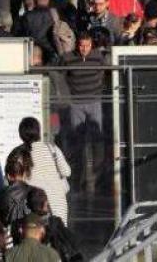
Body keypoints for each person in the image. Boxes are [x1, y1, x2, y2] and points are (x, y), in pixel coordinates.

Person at [59, 33, 106, 193]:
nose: (84, 49)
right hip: (76, 103)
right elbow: (60, 76)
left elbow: (104, 73)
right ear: (76, 45)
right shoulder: (67, 58)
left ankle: (97, 179)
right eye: (81, 45)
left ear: (92, 45)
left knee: (97, 139)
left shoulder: (98, 57)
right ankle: (79, 179)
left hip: (94, 101)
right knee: (77, 140)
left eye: (87, 45)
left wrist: (98, 90)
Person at [10, 117, 71, 224]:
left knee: (37, 237)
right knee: (59, 237)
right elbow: (67, 172)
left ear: (21, 134)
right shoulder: (52, 148)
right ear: (38, 131)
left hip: (35, 205)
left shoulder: (18, 154)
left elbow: (14, 182)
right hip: (57, 203)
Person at [0, 157, 41, 238]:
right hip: (32, 233)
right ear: (23, 174)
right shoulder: (35, 192)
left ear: (8, 176)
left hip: (11, 236)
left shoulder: (0, 194)